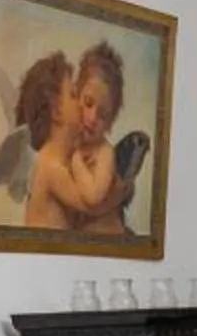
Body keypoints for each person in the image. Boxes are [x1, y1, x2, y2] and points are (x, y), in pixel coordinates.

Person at [26, 41, 136, 233]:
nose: (92, 118)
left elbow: (93, 201)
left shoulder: (102, 152)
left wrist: (122, 189)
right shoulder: (54, 161)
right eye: (84, 100)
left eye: (103, 115)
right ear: (57, 110)